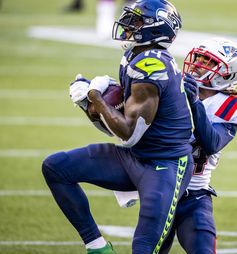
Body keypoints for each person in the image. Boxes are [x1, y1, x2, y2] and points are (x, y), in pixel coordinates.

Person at [42, 1, 194, 254]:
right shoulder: (136, 55)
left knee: (144, 248)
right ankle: (98, 248)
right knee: (56, 167)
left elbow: (129, 132)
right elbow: (118, 124)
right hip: (137, 156)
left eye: (135, 20)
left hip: (165, 165)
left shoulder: (152, 66)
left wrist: (95, 97)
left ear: (155, 28)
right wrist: (89, 104)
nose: (127, 24)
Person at [157, 37, 237, 253]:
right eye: (199, 57)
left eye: (207, 61)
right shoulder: (174, 88)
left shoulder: (232, 106)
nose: (197, 64)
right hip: (159, 189)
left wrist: (195, 103)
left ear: (226, 74)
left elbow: (211, 143)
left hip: (194, 195)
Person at [63, 0, 134, 39]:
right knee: (106, 16)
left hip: (107, 4)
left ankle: (105, 32)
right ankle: (105, 32)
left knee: (106, 16)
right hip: (106, 4)